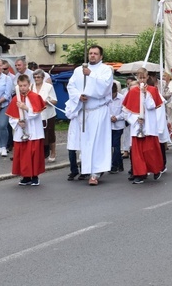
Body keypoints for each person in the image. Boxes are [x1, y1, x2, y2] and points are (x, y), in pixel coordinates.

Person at [66, 45, 113, 185]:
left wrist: (90, 74)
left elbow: (104, 87)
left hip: (98, 111)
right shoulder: (77, 70)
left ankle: (95, 173)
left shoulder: (105, 70)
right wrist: (79, 96)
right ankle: (86, 169)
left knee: (98, 142)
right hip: (84, 111)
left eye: (95, 53)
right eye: (90, 53)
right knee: (86, 143)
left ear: (101, 56)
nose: (92, 55)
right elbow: (71, 86)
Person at [122, 68, 165, 183]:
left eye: (143, 77)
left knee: (150, 150)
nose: (142, 80)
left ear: (147, 77)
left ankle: (156, 170)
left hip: (149, 125)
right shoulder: (132, 91)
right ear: (137, 78)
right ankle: (140, 174)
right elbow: (126, 111)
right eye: (139, 77)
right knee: (137, 152)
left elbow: (152, 106)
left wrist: (146, 95)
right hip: (137, 126)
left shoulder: (152, 90)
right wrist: (136, 119)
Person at [6, 74, 45, 186]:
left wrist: (26, 108)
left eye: (25, 85)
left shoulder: (35, 97)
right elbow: (11, 117)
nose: (23, 88)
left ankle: (35, 176)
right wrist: (17, 122)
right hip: (21, 131)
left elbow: (36, 113)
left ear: (29, 85)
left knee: (34, 154)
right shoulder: (15, 99)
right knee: (23, 155)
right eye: (21, 85)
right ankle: (26, 176)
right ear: (17, 86)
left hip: (33, 130)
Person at [32, 69, 57, 161]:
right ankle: (40, 153)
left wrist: (46, 102)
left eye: (38, 77)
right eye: (35, 77)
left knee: (50, 134)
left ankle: (53, 152)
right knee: (38, 134)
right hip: (36, 115)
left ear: (43, 77)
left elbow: (55, 101)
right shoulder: (31, 87)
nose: (36, 79)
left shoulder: (48, 87)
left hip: (48, 114)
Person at [109, 82, 126, 175]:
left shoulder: (122, 98)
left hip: (119, 125)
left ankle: (114, 165)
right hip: (109, 124)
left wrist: (117, 117)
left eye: (113, 93)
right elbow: (104, 110)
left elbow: (125, 111)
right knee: (112, 145)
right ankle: (120, 164)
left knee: (116, 145)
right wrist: (110, 117)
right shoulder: (106, 99)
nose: (112, 95)